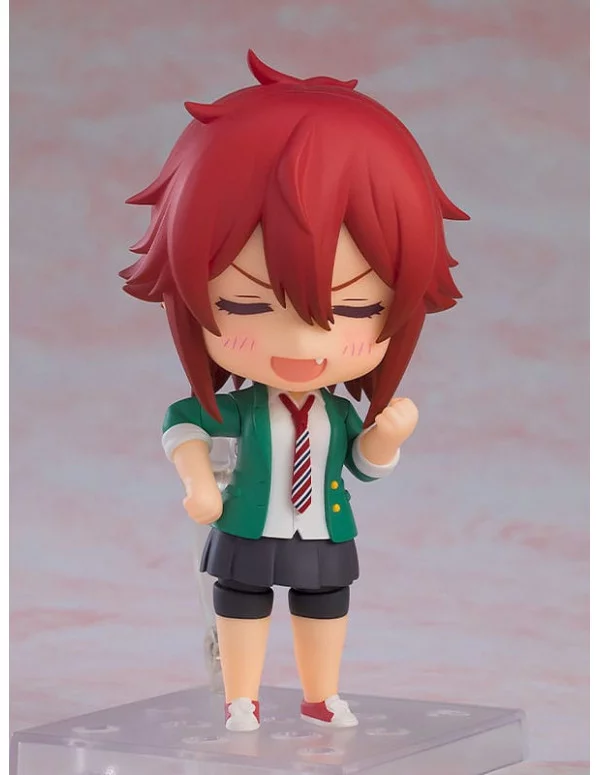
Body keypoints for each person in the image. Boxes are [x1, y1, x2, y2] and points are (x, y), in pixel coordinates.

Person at [120, 50, 468, 732]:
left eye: (356, 308)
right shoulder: (245, 408)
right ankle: (241, 697)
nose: (306, 345)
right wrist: (197, 480)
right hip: (248, 524)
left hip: (323, 527)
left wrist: (386, 439)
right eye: (247, 306)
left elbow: (362, 466)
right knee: (241, 602)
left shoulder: (337, 413)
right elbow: (184, 419)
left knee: (325, 604)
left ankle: (320, 695)